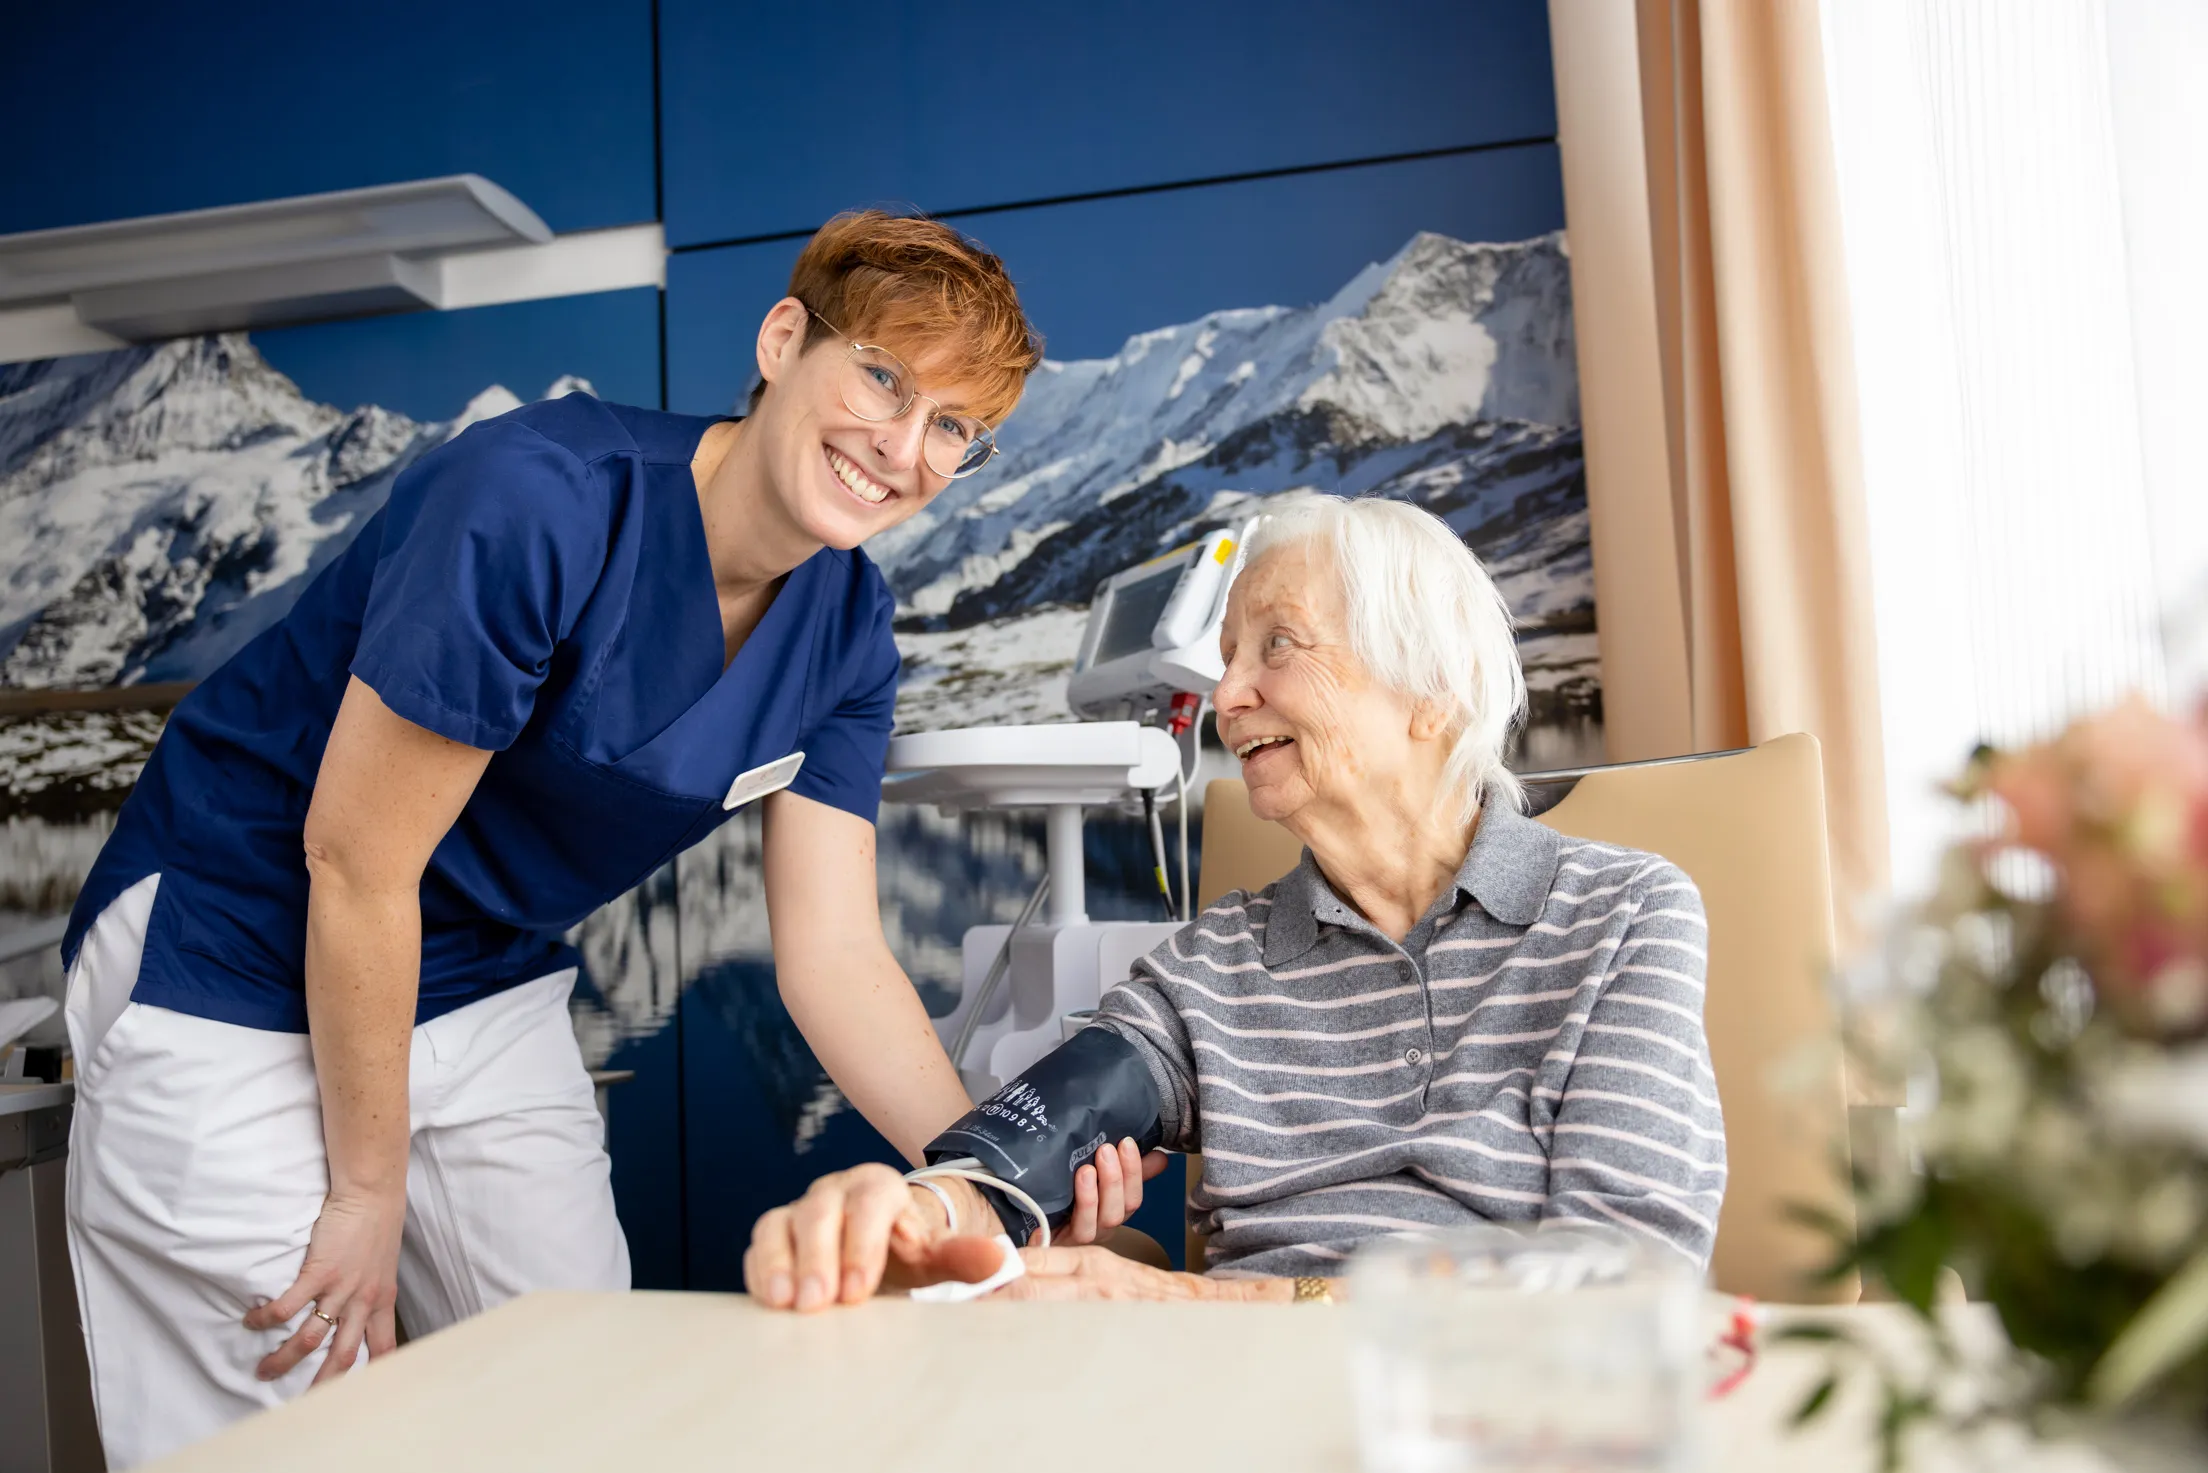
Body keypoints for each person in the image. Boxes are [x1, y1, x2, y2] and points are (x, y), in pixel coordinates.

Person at [59, 210, 1156, 1467]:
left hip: (475, 969)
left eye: (952, 427)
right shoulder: (537, 500)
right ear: (785, 338)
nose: (900, 448)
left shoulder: (847, 627)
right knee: (279, 1416)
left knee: (590, 1404)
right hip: (235, 943)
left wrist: (994, 1187)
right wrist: (363, 1195)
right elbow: (358, 864)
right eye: (883, 379)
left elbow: (836, 957)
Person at [743, 494, 1727, 1305]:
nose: (1228, 697)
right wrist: (923, 1212)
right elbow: (1036, 1136)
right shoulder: (1212, 966)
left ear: (1439, 688)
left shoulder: (1621, 917)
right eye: (1228, 659)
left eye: (1279, 646)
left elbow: (1629, 1289)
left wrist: (1202, 1303)